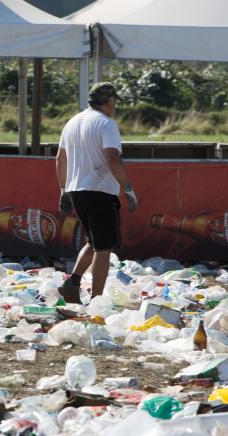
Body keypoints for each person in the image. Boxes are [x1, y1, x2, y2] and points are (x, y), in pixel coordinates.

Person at [55, 82, 137, 304]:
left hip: (77, 190)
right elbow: (112, 157)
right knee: (104, 248)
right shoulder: (106, 124)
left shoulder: (72, 123)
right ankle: (97, 300)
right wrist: (128, 188)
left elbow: (60, 159)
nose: (115, 106)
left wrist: (63, 190)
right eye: (115, 102)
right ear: (109, 102)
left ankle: (72, 283)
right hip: (99, 191)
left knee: (93, 242)